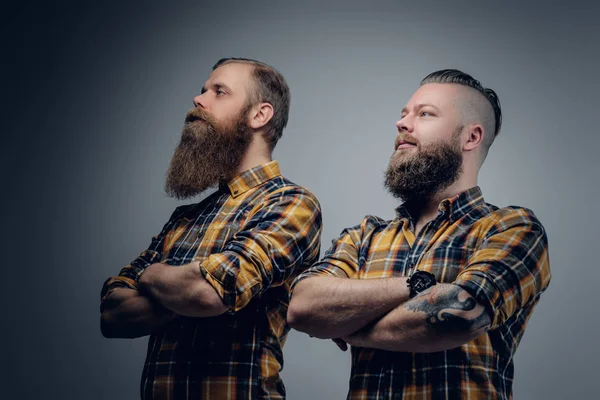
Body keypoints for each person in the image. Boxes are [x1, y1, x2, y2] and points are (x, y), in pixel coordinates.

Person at [288, 69, 551, 399]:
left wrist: (350, 327)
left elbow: (459, 315)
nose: (402, 124)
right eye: (403, 114)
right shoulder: (363, 237)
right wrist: (417, 286)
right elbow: (302, 306)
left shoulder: (512, 227)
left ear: (471, 137)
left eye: (425, 114)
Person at [100, 57, 322, 399]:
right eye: (203, 90)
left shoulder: (291, 204)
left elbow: (209, 293)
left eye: (219, 92)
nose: (199, 100)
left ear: (259, 115)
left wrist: (151, 276)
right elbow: (113, 315)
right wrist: (186, 291)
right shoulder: (184, 217)